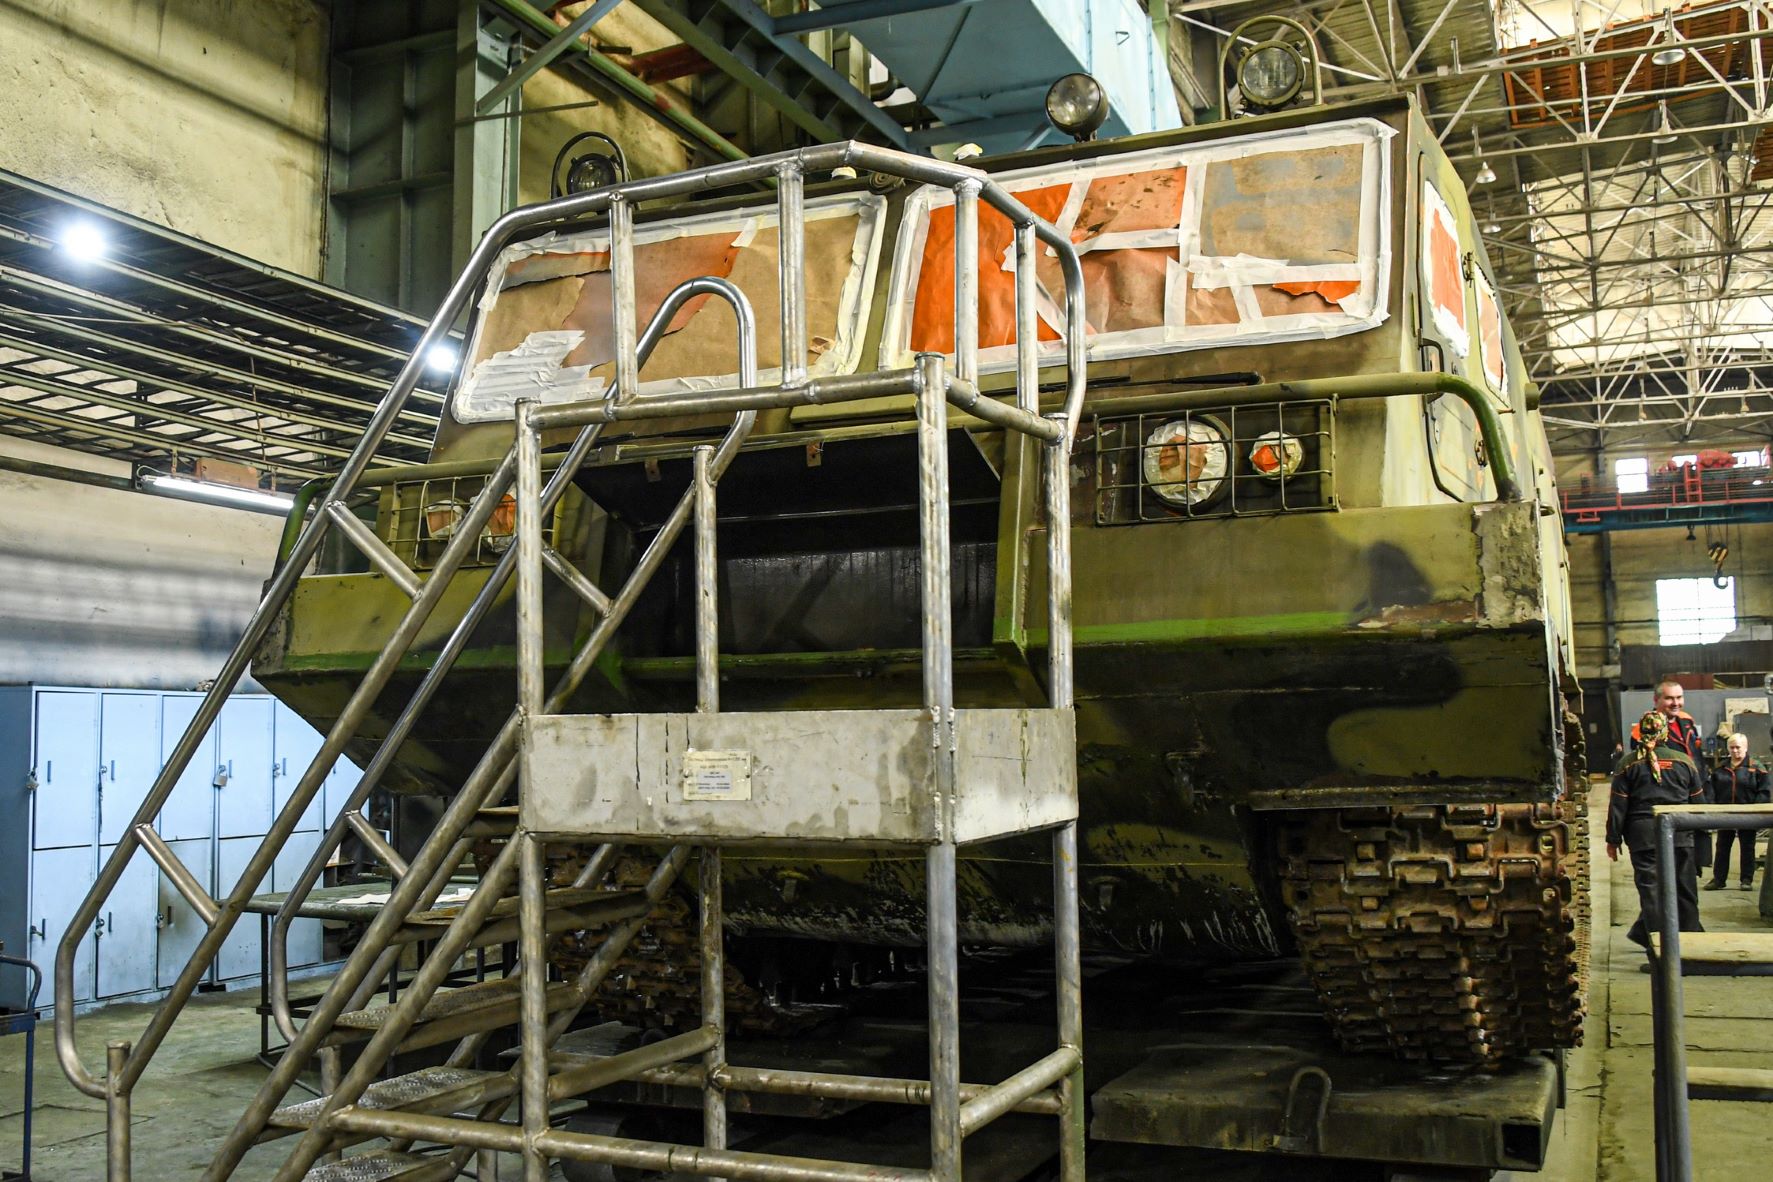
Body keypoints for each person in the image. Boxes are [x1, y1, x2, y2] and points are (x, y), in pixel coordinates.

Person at [1609, 709, 1706, 946]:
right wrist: (1702, 841)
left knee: (1651, 892)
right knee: (1684, 890)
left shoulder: (1627, 764)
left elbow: (1618, 807)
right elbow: (1699, 805)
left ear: (1641, 732)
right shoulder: (1685, 761)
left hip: (1643, 837)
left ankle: (1659, 948)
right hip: (1680, 833)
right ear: (1665, 733)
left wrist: (1613, 839)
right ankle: (1691, 944)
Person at [1706, 731, 1770, 891]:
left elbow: (1764, 791)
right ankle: (1719, 880)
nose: (1735, 751)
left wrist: (1756, 811)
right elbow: (1711, 791)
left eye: (1738, 747)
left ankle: (1746, 880)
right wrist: (1713, 809)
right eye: (1732, 747)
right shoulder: (1720, 769)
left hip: (1748, 815)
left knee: (1747, 847)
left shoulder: (1757, 768)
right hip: (1725, 815)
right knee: (1722, 846)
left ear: (1746, 747)